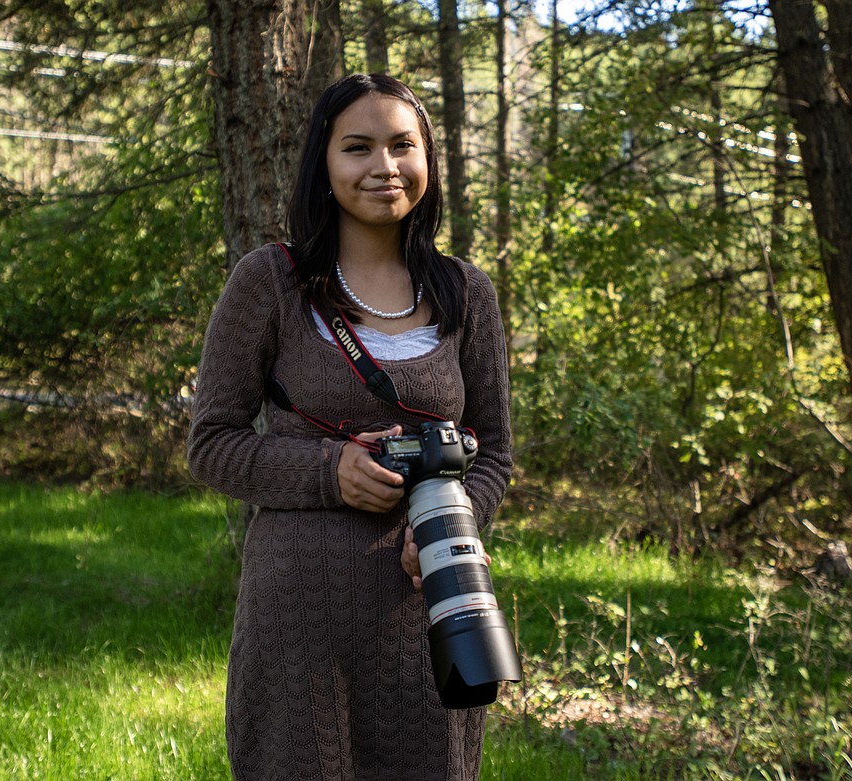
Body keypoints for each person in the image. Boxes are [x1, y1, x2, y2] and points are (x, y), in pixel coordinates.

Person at [187, 73, 513, 781]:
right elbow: (210, 443)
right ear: (324, 164)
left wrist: (454, 530)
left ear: (428, 158)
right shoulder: (270, 282)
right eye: (357, 147)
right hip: (301, 610)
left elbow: (495, 453)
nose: (384, 167)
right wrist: (327, 471)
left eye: (403, 145)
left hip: (434, 605)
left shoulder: (466, 291)